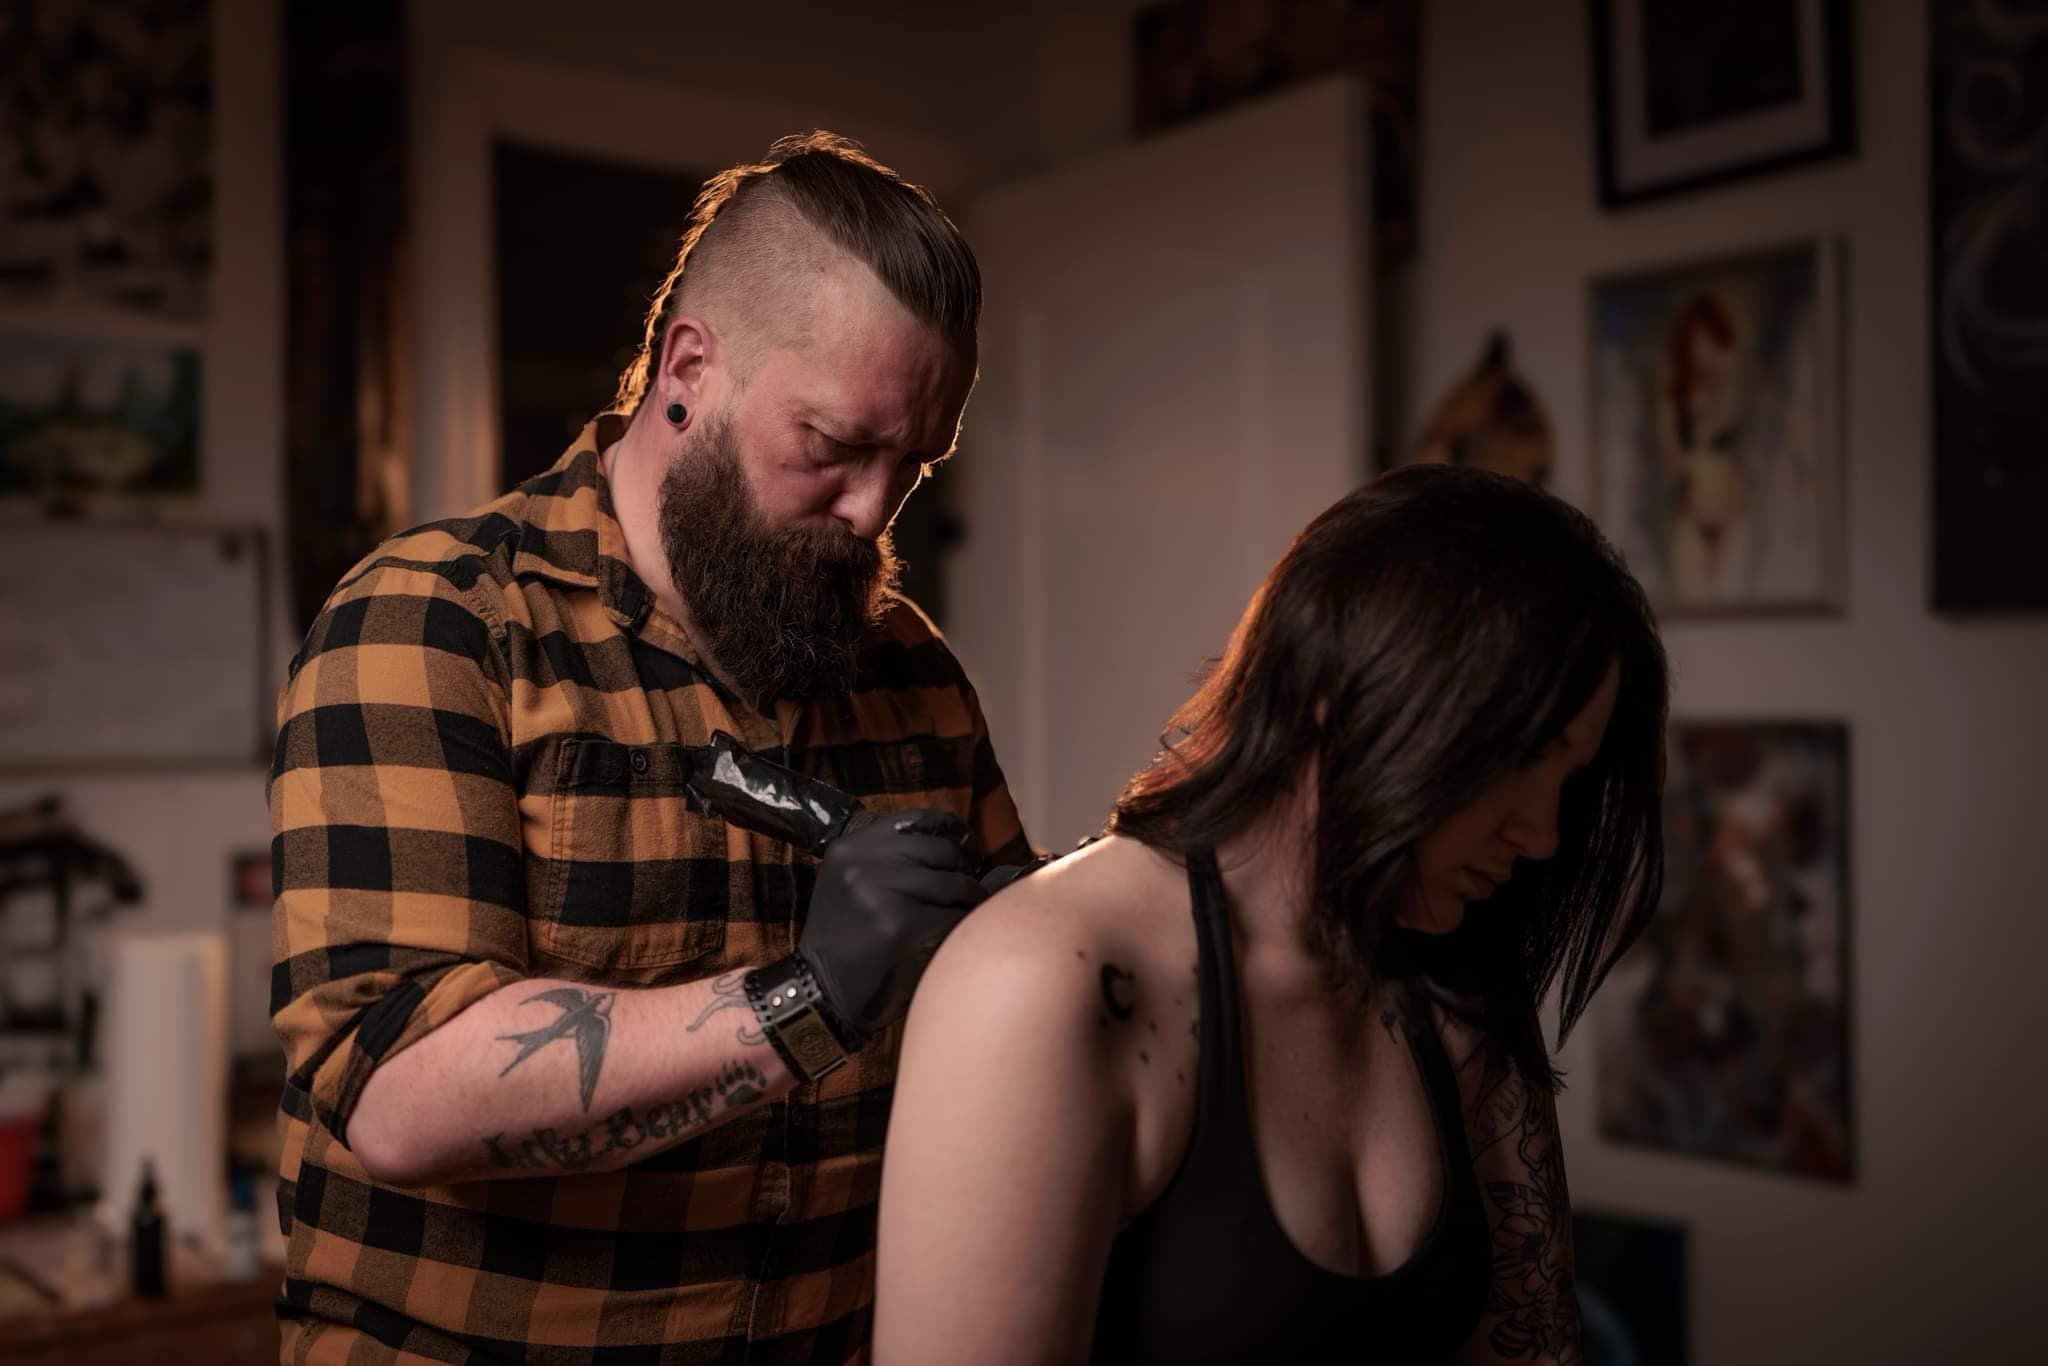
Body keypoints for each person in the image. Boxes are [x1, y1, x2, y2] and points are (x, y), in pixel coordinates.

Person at [269, 131, 1031, 1363]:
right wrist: (808, 994)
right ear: (690, 368)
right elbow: (400, 1095)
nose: (869, 512)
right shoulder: (437, 620)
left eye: (911, 464)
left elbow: (1022, 999)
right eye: (833, 447)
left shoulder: (912, 675)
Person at [874, 465, 1670, 1364]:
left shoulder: (1455, 982)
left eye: (1569, 781)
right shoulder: (1045, 983)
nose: (1541, 834)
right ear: (1356, 697)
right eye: (1524, 759)